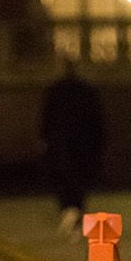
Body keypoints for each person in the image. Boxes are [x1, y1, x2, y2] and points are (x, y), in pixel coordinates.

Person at [41, 58, 105, 238]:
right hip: (84, 142)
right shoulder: (86, 90)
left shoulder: (54, 91)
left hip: (60, 143)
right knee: (80, 180)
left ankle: (68, 211)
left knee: (62, 179)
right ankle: (76, 213)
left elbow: (47, 118)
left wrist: (45, 139)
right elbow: (96, 119)